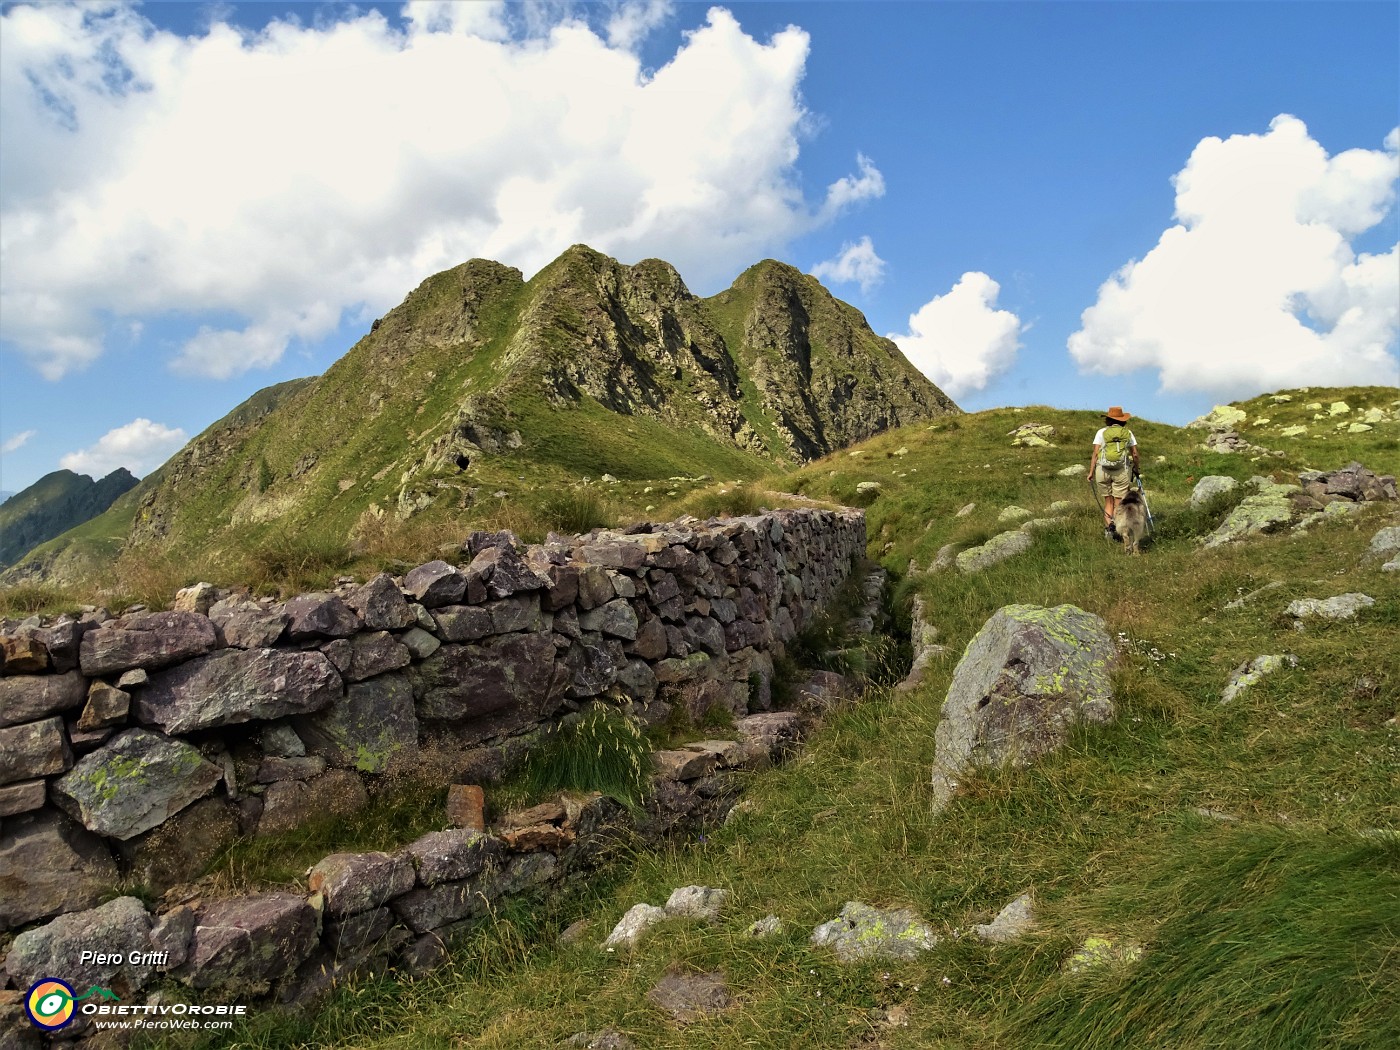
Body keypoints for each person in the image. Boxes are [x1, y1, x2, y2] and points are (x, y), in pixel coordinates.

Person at [1088, 406, 1141, 540]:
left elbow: (1095, 453)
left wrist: (1091, 472)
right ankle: (1121, 532)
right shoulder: (1127, 433)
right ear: (1122, 420)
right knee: (1119, 502)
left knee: (1108, 501)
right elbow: (1135, 454)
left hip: (1102, 469)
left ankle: (1108, 530)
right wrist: (1136, 468)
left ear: (1108, 419)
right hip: (1121, 470)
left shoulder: (1101, 432)